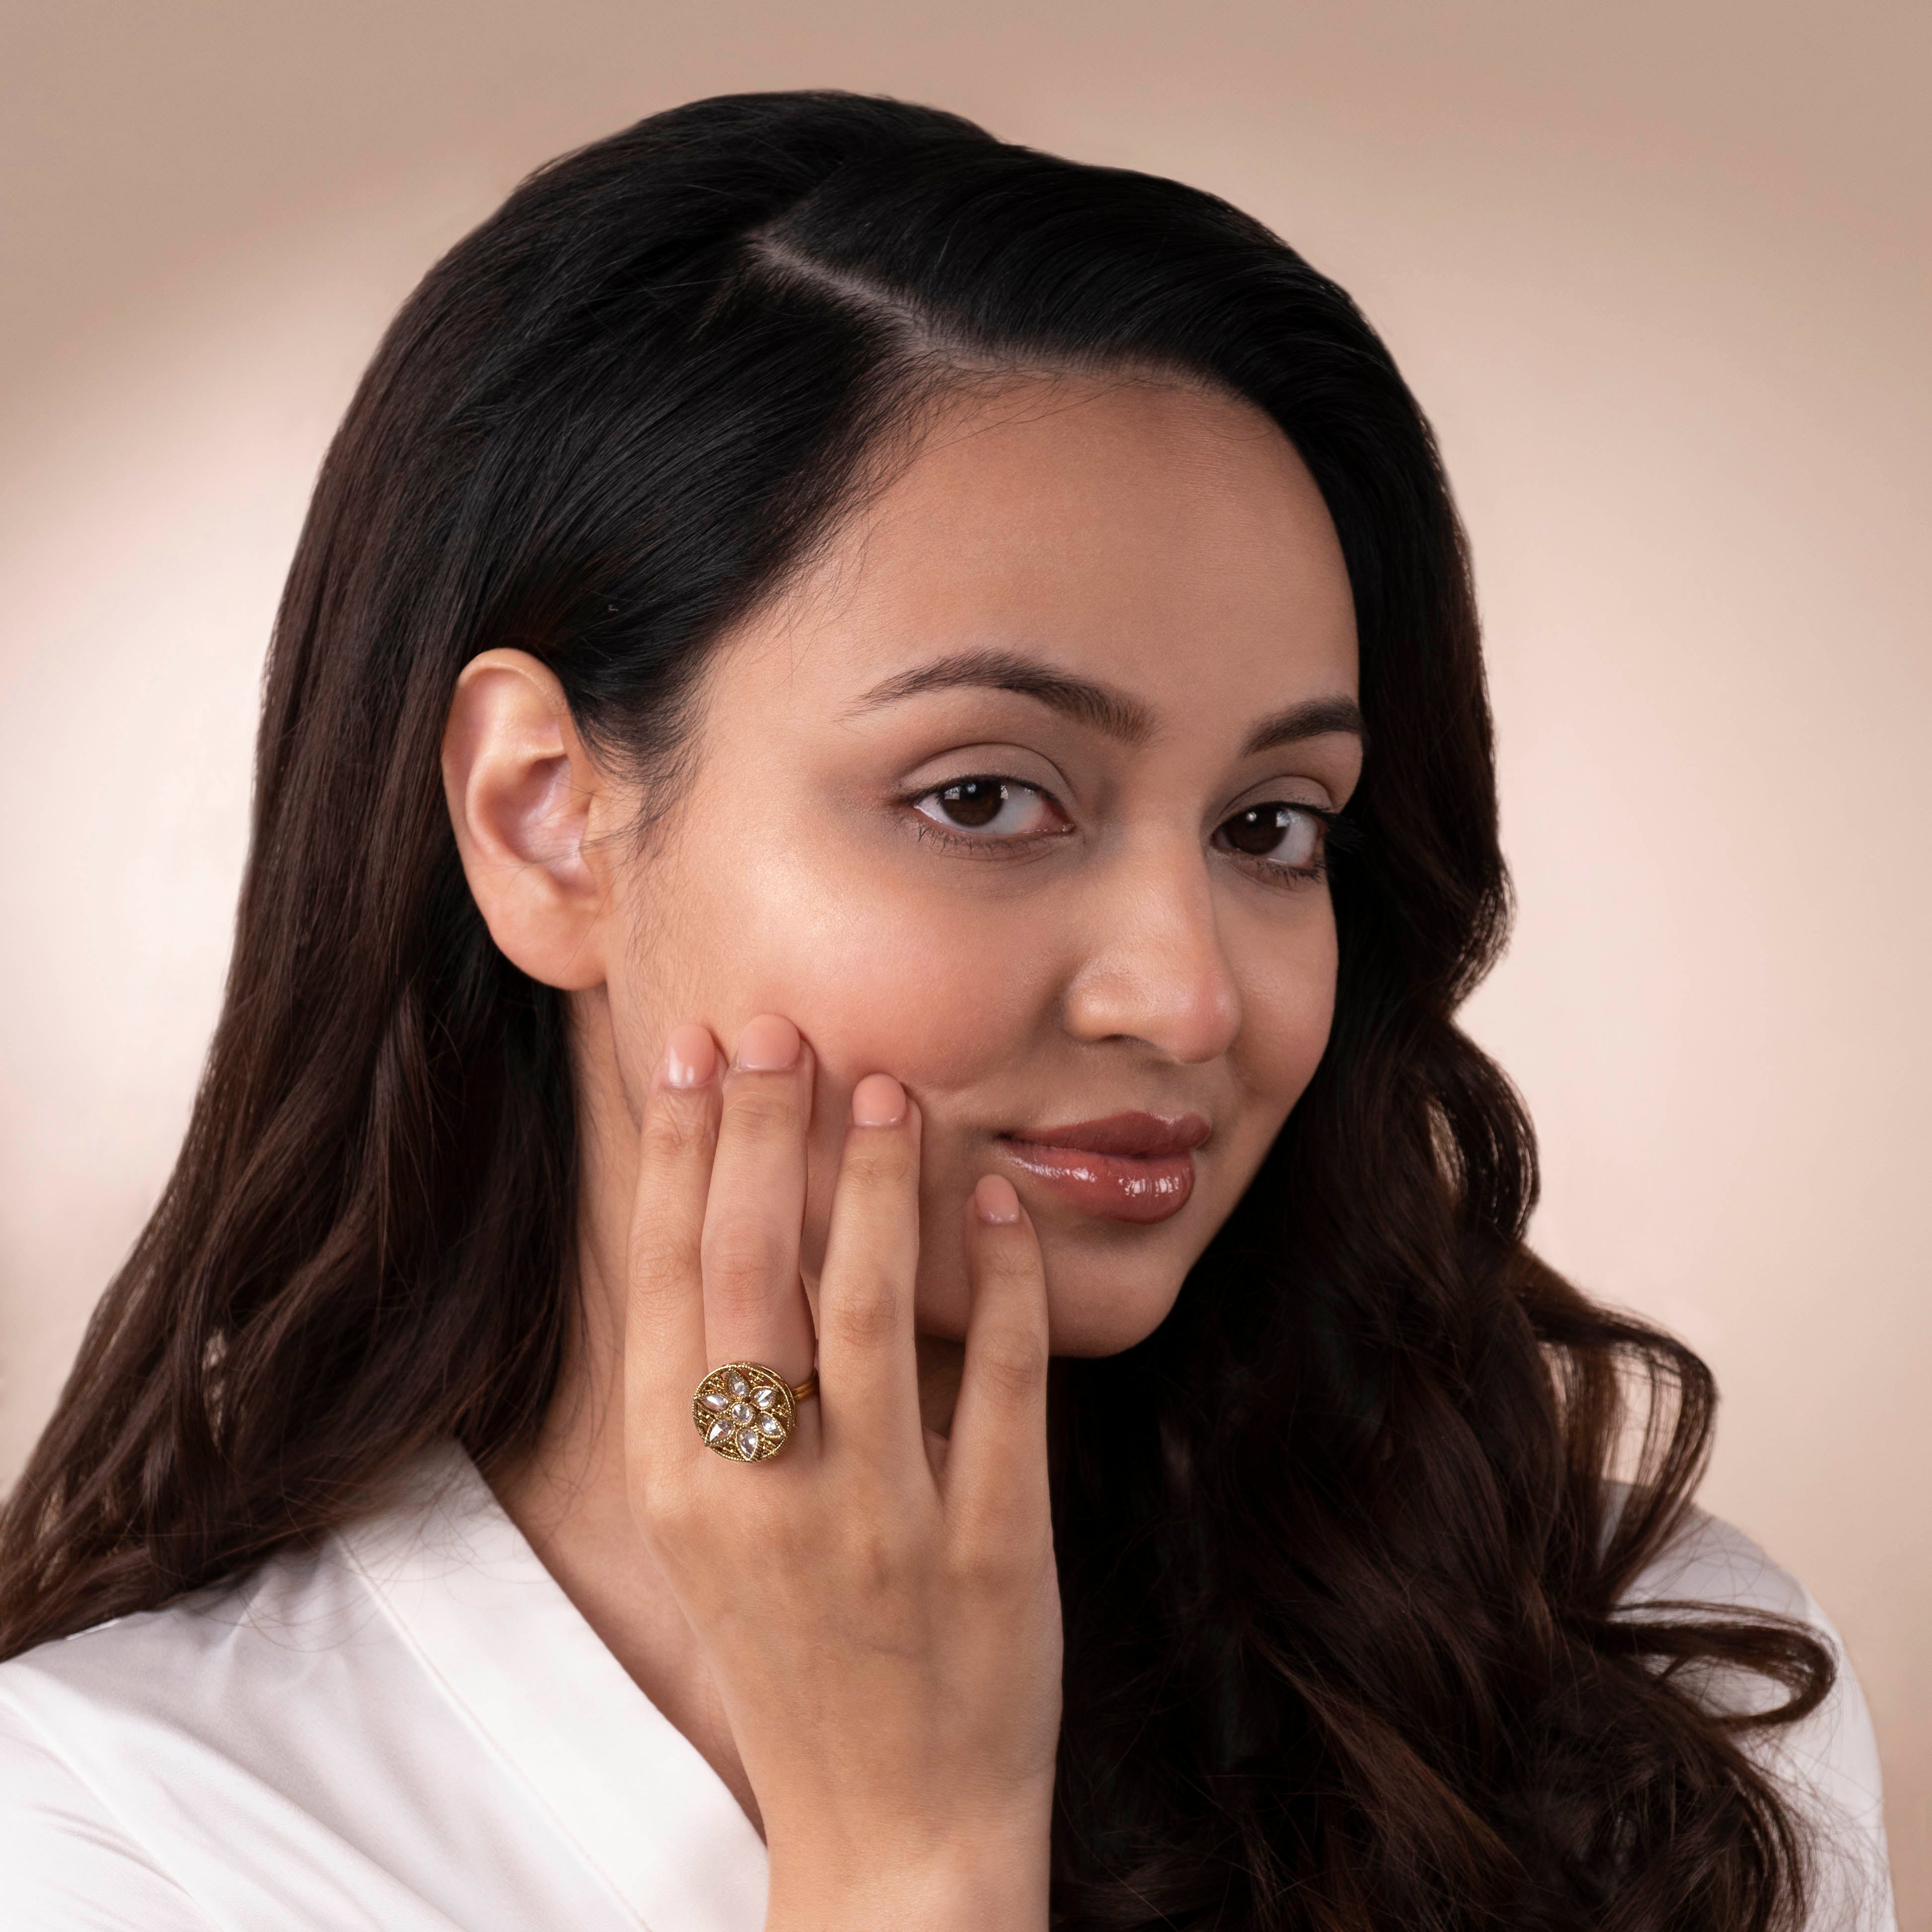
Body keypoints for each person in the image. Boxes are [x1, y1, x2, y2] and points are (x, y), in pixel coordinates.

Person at [0, 89, 1894, 1932]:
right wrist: (907, 1860)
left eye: (1271, 825)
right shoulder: (110, 1828)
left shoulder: (1654, 1718)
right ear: (547, 816)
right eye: (984, 796)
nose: (1186, 994)